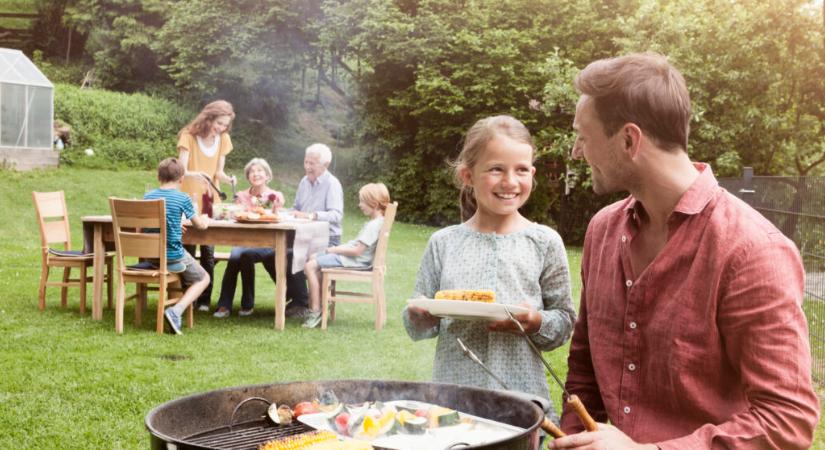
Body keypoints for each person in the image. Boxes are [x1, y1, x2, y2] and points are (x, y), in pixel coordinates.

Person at [553, 53, 819, 449]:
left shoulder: (752, 251)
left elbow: (786, 420)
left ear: (629, 139)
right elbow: (584, 370)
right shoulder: (602, 231)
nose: (576, 152)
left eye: (583, 136)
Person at [402, 115, 576, 424]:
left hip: (521, 400)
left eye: (521, 170)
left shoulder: (545, 242)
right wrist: (420, 315)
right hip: (453, 398)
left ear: (532, 174)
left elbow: (563, 321)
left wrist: (535, 321)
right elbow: (416, 323)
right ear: (468, 175)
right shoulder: (444, 242)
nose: (510, 181)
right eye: (496, 169)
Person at [302, 183, 391, 328]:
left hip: (355, 261)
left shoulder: (373, 225)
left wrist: (333, 250)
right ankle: (320, 305)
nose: (359, 204)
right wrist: (333, 249)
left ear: (374, 203)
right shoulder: (378, 222)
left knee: (310, 266)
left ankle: (315, 310)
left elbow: (357, 251)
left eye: (362, 201)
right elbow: (356, 246)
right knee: (314, 259)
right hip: (356, 260)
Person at [177, 100, 237, 312]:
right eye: (219, 123)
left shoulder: (223, 139)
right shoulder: (188, 136)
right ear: (208, 117)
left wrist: (228, 179)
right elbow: (180, 171)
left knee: (208, 251)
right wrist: (196, 174)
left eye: (225, 125)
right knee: (188, 250)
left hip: (210, 201)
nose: (221, 128)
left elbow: (217, 173)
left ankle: (204, 299)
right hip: (188, 198)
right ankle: (188, 297)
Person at [144, 157, 210, 335]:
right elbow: (199, 225)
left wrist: (172, 223)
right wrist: (204, 220)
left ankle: (174, 305)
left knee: (181, 269)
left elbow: (147, 225)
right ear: (182, 179)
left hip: (150, 256)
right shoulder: (183, 198)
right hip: (172, 255)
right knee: (203, 278)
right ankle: (176, 311)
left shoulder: (148, 196)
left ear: (158, 177)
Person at [212, 158, 285, 318]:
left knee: (244, 255)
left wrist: (274, 207)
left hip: (266, 243)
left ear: (267, 175)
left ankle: (246, 304)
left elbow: (277, 215)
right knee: (236, 256)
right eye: (252, 172)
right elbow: (234, 216)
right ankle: (224, 305)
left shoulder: (275, 196)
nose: (256, 174)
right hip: (243, 241)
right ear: (248, 176)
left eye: (259, 171)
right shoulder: (241, 195)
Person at [281, 143, 344, 318]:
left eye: (312, 163)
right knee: (279, 254)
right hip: (304, 236)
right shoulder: (304, 181)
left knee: (292, 256)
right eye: (306, 162)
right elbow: (296, 209)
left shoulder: (332, 184)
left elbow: (336, 215)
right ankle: (300, 300)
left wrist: (311, 216)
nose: (308, 167)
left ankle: (302, 303)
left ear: (325, 165)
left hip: (328, 239)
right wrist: (281, 210)